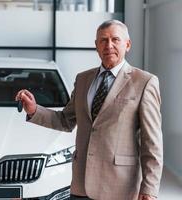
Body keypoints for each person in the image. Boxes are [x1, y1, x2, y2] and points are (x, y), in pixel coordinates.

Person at [15, 20, 163, 200]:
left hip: (120, 187)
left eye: (115, 39)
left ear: (128, 44)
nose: (109, 45)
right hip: (81, 183)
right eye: (103, 40)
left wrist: (149, 189)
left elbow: (152, 143)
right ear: (96, 45)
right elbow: (65, 120)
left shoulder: (144, 82)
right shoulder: (83, 79)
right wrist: (34, 110)